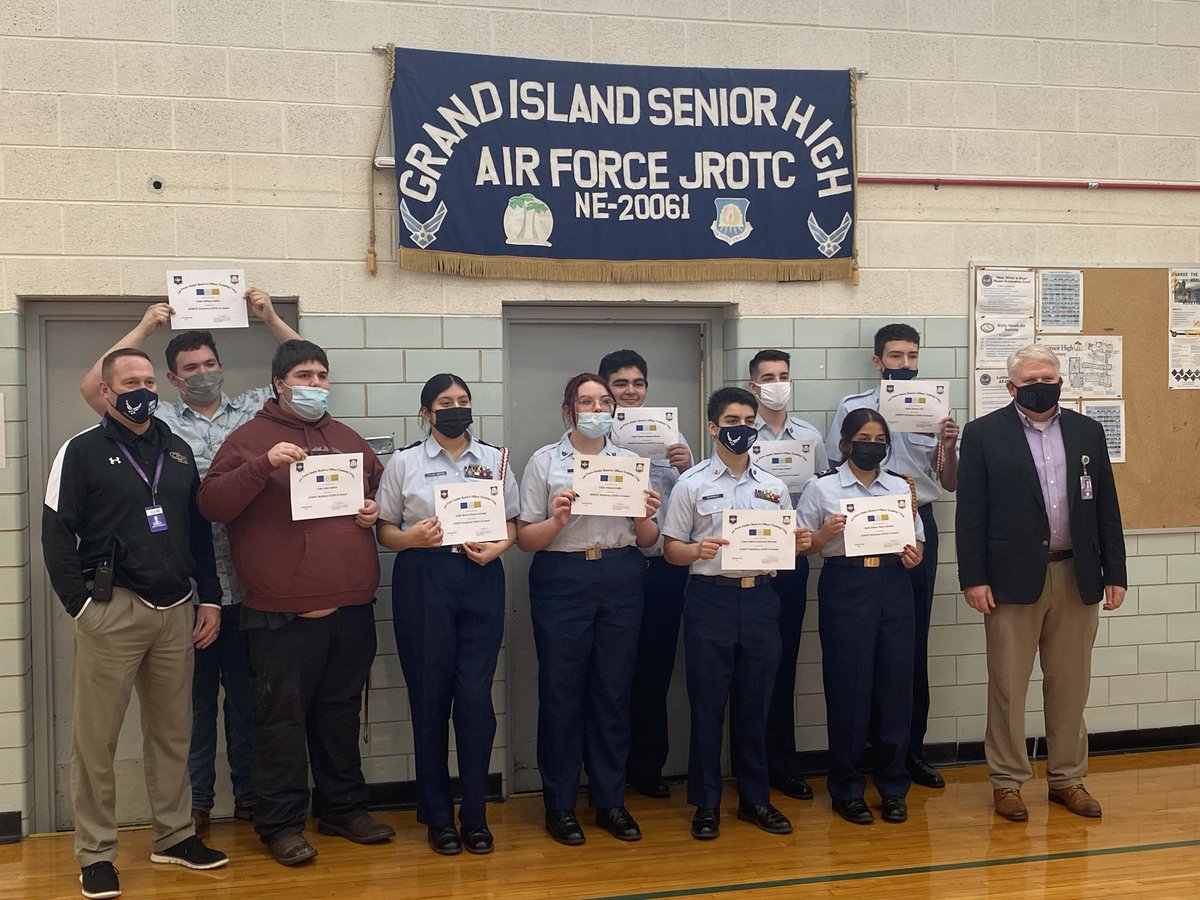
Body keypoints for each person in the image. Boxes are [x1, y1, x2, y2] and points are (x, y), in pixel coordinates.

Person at [79, 289, 300, 835]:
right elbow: (93, 387)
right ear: (172, 379)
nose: (201, 373)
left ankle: (250, 796)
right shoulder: (160, 421)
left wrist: (270, 318)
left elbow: (303, 368)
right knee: (192, 708)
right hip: (189, 588)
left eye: (209, 364)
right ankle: (196, 805)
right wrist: (145, 328)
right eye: (188, 369)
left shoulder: (255, 410)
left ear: (221, 368)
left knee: (251, 701)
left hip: (252, 584)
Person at [197, 340, 394, 866]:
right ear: (279, 383)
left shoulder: (345, 437)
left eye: (322, 375)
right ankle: (280, 824)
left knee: (340, 714)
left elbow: (379, 490)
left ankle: (342, 808)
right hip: (279, 616)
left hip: (350, 608)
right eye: (304, 375)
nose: (315, 384)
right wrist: (262, 465)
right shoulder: (249, 439)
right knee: (278, 723)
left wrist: (373, 508)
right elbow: (211, 504)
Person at [44, 348, 229, 900]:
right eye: (130, 382)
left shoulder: (175, 450)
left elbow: (199, 533)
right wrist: (80, 605)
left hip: (176, 610)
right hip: (111, 610)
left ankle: (173, 836)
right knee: (95, 740)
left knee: (173, 732)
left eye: (149, 380)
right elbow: (56, 533)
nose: (142, 389)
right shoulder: (79, 451)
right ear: (106, 391)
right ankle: (96, 853)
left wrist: (211, 599)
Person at [956, 344, 1126, 822]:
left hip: (1078, 575)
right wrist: (974, 578)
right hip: (1010, 581)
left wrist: (1116, 572)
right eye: (1031, 381)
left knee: (1070, 684)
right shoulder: (984, 434)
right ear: (1011, 387)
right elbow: (970, 516)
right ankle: (1007, 782)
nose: (1041, 386)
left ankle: (1067, 779)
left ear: (1060, 382)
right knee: (1008, 686)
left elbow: (1106, 508)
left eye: (1048, 378)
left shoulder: (1088, 431)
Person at [376, 374, 519, 856]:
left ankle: (475, 814)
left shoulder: (495, 458)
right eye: (445, 402)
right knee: (430, 699)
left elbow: (513, 522)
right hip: (423, 580)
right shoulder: (404, 462)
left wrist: (496, 547)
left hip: (480, 577)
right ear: (426, 413)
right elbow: (385, 531)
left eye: (463, 401)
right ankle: (438, 816)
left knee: (475, 700)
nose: (456, 408)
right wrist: (411, 538)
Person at [517, 373, 661, 846]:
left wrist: (645, 515)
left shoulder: (631, 462)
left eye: (603, 402)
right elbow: (525, 540)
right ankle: (559, 805)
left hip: (621, 574)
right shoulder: (544, 461)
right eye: (586, 401)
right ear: (568, 410)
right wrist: (558, 519)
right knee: (561, 692)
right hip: (562, 577)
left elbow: (647, 539)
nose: (596, 409)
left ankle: (609, 802)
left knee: (613, 691)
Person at [663, 386, 810, 841]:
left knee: (756, 703)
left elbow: (787, 544)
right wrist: (696, 549)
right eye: (731, 422)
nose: (741, 429)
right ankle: (706, 805)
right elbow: (670, 550)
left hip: (762, 599)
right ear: (713, 428)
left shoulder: (773, 486)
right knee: (708, 705)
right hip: (711, 599)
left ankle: (755, 800)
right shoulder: (692, 485)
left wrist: (799, 543)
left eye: (748, 421)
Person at [825, 323, 958, 789]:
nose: (905, 364)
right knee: (861, 648)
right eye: (895, 356)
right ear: (878, 361)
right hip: (862, 527)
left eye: (912, 356)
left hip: (916, 527)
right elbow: (833, 469)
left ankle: (908, 752)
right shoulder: (852, 408)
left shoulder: (936, 410)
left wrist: (949, 442)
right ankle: (862, 754)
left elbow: (949, 480)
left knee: (910, 644)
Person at [797, 407, 924, 826]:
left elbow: (917, 545)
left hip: (892, 584)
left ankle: (892, 787)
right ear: (847, 443)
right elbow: (802, 546)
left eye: (879, 438)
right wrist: (822, 536)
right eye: (864, 438)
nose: (873, 445)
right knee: (847, 687)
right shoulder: (822, 488)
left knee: (894, 687)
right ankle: (846, 789)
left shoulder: (900, 487)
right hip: (845, 584)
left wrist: (912, 557)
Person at [598, 349, 692, 799]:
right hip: (615, 567)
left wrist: (688, 468)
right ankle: (606, 771)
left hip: (662, 569)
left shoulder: (673, 440)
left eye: (638, 383)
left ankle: (647, 768)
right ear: (605, 391)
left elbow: (694, 504)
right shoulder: (591, 440)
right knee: (611, 674)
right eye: (620, 384)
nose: (631, 391)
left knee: (654, 671)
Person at [747, 349, 828, 801]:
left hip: (792, 561)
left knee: (784, 663)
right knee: (748, 669)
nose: (777, 382)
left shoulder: (810, 436)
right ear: (753, 384)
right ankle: (747, 764)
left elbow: (821, 494)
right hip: (746, 558)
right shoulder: (740, 430)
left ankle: (782, 764)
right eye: (767, 377)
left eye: (783, 375)